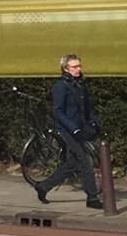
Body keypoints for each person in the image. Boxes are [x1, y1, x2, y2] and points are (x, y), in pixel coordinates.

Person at [35, 53, 103, 209]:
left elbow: (87, 109)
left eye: (79, 66)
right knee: (86, 160)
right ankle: (92, 198)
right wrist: (73, 129)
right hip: (67, 130)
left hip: (79, 129)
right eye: (75, 67)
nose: (78, 69)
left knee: (73, 162)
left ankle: (43, 186)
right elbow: (58, 112)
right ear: (65, 69)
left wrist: (96, 125)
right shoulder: (60, 87)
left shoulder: (80, 85)